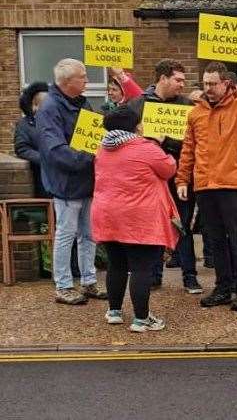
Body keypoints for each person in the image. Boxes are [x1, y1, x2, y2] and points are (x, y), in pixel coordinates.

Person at [176, 55, 237, 311]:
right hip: (206, 186)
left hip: (233, 185)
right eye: (205, 83)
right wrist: (182, 179)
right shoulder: (196, 113)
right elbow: (189, 148)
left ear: (225, 84)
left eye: (213, 83)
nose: (208, 88)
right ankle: (223, 287)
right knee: (216, 240)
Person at [92, 106, 179, 332]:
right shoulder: (145, 148)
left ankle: (114, 312)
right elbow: (169, 169)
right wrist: (159, 145)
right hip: (138, 218)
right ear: (135, 125)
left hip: (107, 215)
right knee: (142, 268)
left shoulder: (102, 149)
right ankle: (141, 319)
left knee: (116, 264)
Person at [127, 59, 202, 294]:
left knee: (183, 226)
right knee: (152, 226)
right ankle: (153, 276)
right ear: (162, 79)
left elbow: (192, 141)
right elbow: (128, 136)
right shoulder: (138, 104)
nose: (182, 84)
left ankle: (190, 277)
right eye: (178, 80)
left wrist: (166, 141)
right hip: (148, 178)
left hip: (179, 174)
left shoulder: (188, 105)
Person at [36, 59, 106, 304]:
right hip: (66, 182)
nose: (87, 80)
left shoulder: (81, 102)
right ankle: (64, 285)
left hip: (85, 179)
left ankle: (88, 281)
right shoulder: (50, 108)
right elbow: (55, 150)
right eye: (83, 77)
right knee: (67, 233)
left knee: (89, 234)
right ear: (68, 82)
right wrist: (89, 157)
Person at [15, 82, 50, 198]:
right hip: (41, 179)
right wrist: (45, 159)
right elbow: (22, 148)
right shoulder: (24, 125)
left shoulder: (58, 121)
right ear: (35, 105)